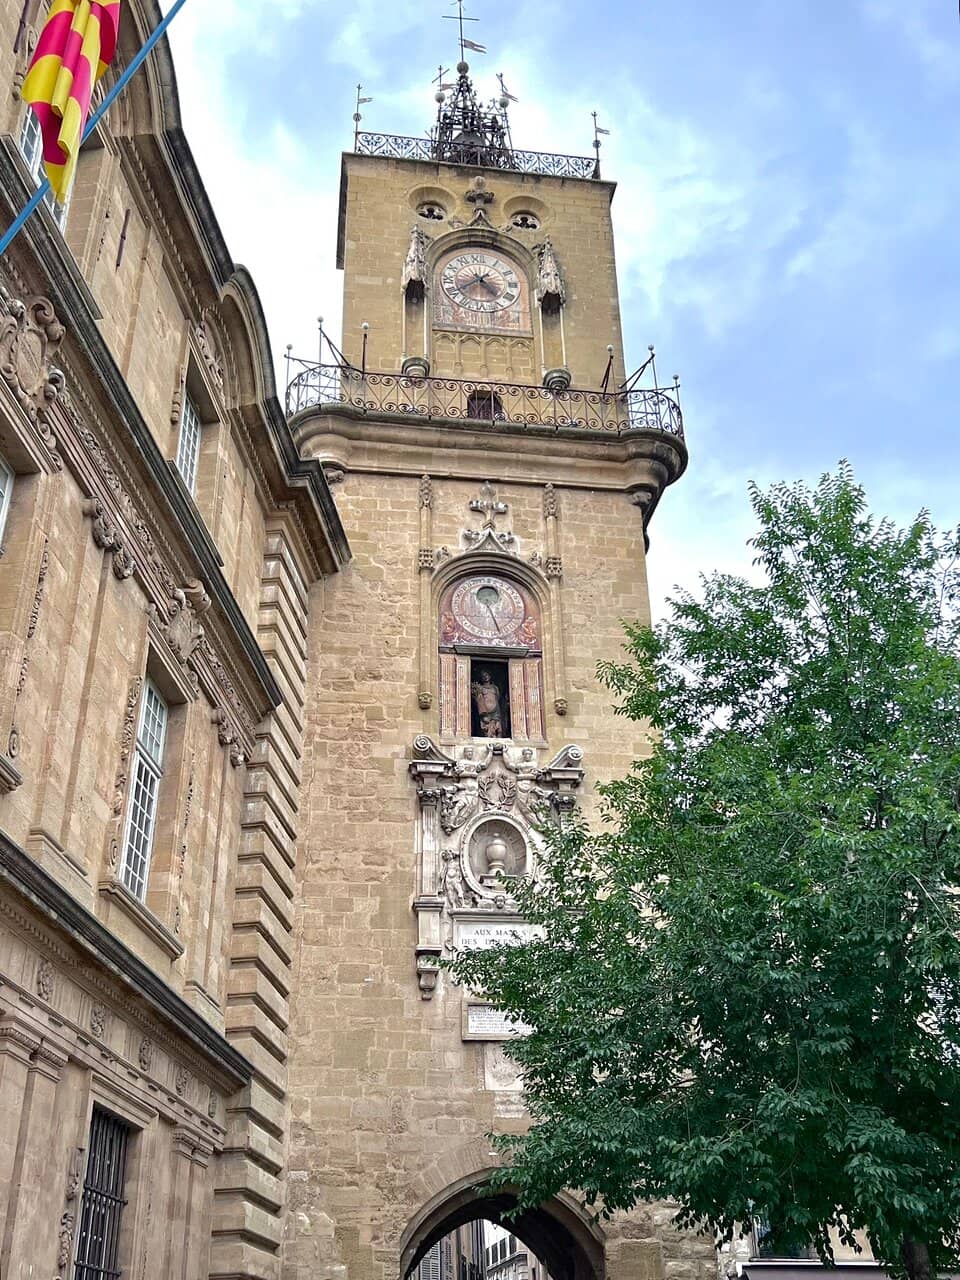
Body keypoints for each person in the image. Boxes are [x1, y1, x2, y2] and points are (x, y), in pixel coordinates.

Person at [471, 669, 504, 737]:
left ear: (490, 676)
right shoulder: (480, 688)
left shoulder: (495, 688)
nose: (485, 677)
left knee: (498, 729)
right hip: (486, 712)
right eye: (483, 676)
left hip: (495, 711)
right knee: (487, 729)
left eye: (487, 675)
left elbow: (497, 697)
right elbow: (479, 700)